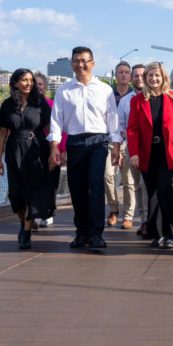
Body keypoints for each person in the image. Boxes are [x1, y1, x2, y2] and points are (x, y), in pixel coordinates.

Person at [49, 46, 120, 250]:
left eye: (85, 61)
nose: (81, 64)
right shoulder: (64, 90)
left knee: (96, 187)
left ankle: (97, 234)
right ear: (72, 64)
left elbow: (113, 120)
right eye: (77, 61)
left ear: (93, 63)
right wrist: (55, 145)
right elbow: (56, 121)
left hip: (98, 142)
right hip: (75, 142)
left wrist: (116, 146)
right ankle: (82, 232)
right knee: (77, 189)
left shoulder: (105, 89)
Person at [127, 62, 173, 249]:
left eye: (157, 76)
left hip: (168, 152)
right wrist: (133, 153)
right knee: (153, 194)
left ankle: (169, 234)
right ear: (145, 78)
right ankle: (156, 235)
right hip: (147, 153)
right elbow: (132, 129)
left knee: (166, 191)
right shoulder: (138, 100)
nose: (153, 79)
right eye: (150, 76)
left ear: (164, 77)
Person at [0, 69, 53, 250]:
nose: (28, 83)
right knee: (15, 194)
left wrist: (54, 152)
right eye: (24, 80)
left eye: (30, 80)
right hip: (14, 150)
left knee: (32, 193)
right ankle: (23, 222)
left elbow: (51, 129)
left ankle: (27, 231)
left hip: (37, 150)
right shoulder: (7, 104)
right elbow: (3, 133)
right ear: (15, 83)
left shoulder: (40, 102)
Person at [105, 61, 137, 229]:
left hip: (127, 143)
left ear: (130, 76)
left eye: (126, 72)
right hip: (109, 142)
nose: (124, 74)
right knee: (107, 176)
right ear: (116, 76)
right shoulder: (108, 95)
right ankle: (113, 209)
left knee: (128, 180)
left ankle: (128, 215)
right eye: (120, 72)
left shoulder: (134, 97)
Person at [117, 63, 147, 236]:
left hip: (152, 148)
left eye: (142, 75)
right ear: (132, 78)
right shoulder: (125, 101)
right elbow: (120, 125)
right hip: (132, 148)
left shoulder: (155, 97)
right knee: (136, 185)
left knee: (148, 185)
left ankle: (153, 219)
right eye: (136, 75)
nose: (139, 78)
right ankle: (143, 220)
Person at [33, 72, 58, 228]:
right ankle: (35, 212)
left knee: (51, 181)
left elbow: (60, 129)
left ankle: (49, 211)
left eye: (40, 84)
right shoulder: (26, 105)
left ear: (45, 87)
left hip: (51, 147)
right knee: (35, 181)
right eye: (35, 84)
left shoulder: (52, 104)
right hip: (33, 148)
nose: (37, 87)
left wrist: (59, 150)